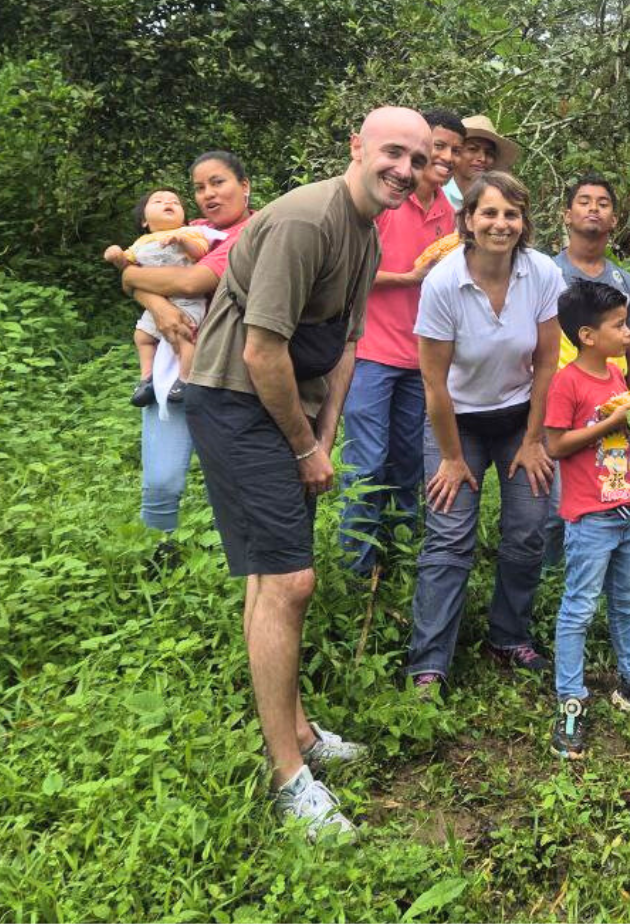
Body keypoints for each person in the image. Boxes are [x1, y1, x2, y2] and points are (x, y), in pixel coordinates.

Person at [185, 107, 431, 840]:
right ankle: (289, 775)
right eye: (393, 152)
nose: (405, 171)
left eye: (418, 160)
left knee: (271, 574)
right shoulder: (306, 220)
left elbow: (348, 342)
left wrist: (323, 436)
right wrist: (302, 446)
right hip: (237, 400)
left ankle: (296, 730)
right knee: (289, 580)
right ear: (357, 147)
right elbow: (261, 352)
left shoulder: (366, 231)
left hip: (289, 408)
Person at [406, 171, 565, 688]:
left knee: (529, 528)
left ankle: (509, 635)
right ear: (469, 220)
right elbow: (434, 383)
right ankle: (429, 662)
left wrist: (535, 439)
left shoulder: (542, 272)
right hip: (457, 422)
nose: (501, 223)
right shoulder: (443, 282)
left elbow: (547, 364)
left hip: (520, 417)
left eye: (511, 214)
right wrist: (452, 459)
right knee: (449, 536)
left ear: (524, 221)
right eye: (490, 213)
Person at [543, 280, 630, 759]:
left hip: (629, 508)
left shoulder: (618, 375)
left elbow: (627, 438)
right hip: (591, 515)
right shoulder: (567, 383)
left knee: (626, 599)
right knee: (579, 607)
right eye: (619, 326)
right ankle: (571, 697)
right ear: (587, 335)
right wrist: (612, 422)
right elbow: (556, 444)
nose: (627, 333)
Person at [339, 109, 465, 580]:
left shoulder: (449, 212)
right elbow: (349, 267)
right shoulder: (387, 200)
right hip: (371, 352)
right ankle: (356, 567)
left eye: (455, 150)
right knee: (367, 462)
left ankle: (400, 559)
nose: (446, 157)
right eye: (438, 147)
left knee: (410, 463)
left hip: (422, 360)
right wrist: (409, 277)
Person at [116, 151, 255, 564]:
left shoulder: (252, 233)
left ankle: (238, 559)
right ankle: (158, 555)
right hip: (173, 362)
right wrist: (157, 305)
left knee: (233, 474)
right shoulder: (187, 230)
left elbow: (192, 281)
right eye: (199, 187)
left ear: (244, 186)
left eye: (218, 182)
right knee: (161, 477)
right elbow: (138, 273)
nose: (208, 194)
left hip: (232, 370)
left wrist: (133, 279)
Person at [541, 173, 630, 567]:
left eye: (603, 203)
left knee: (604, 491)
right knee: (554, 503)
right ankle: (551, 576)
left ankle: (593, 571)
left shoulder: (625, 284)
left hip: (612, 406)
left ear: (614, 219)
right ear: (566, 214)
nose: (593, 208)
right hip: (560, 404)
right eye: (584, 201)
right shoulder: (546, 273)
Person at [106, 189, 214, 410]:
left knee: (185, 336)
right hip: (157, 299)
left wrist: (183, 241)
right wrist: (116, 256)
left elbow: (202, 253)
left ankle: (185, 379)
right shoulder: (140, 243)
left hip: (187, 301)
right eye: (158, 201)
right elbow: (128, 267)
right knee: (142, 336)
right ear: (144, 221)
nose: (168, 203)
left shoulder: (189, 232)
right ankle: (147, 378)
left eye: (175, 202)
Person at [443, 115, 519, 211]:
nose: (482, 158)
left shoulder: (503, 202)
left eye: (489, 153)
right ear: (456, 153)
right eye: (473, 149)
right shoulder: (437, 197)